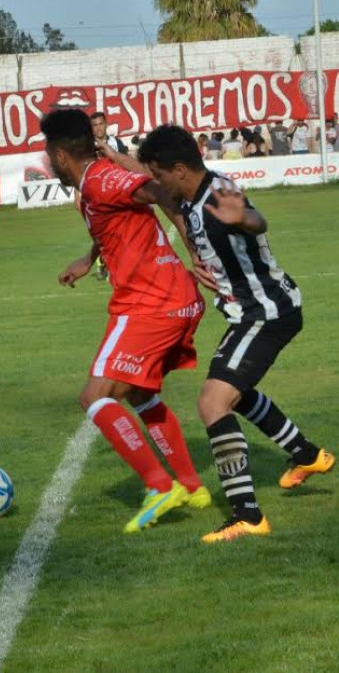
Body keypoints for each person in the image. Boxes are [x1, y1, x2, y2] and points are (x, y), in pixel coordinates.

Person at [136, 125, 336, 544]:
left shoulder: (220, 198)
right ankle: (307, 454)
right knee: (235, 392)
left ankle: (247, 515)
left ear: (178, 169)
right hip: (252, 314)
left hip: (265, 314)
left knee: (212, 402)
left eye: (158, 173)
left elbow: (255, 220)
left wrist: (243, 217)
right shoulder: (191, 195)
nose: (156, 182)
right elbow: (161, 195)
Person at [41, 109, 211, 532]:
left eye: (48, 153)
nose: (47, 161)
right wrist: (89, 258)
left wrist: (193, 249)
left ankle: (158, 486)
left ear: (61, 156)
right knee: (140, 395)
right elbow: (112, 223)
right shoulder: (92, 188)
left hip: (150, 302)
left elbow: (162, 193)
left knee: (95, 396)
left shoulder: (101, 178)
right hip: (171, 299)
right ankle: (191, 486)